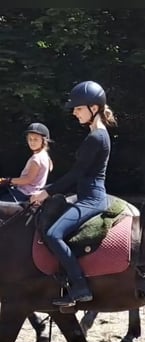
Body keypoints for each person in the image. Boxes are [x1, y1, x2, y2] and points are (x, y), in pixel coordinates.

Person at [30, 81, 117, 307]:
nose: (74, 112)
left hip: (92, 199)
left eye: (78, 108)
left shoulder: (96, 137)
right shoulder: (98, 134)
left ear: (94, 108)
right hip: (86, 195)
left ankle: (80, 287)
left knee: (53, 233)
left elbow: (76, 174)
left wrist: (46, 193)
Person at [0, 122, 54, 203]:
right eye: (30, 139)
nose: (32, 142)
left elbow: (27, 180)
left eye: (35, 139)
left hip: (24, 194)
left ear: (43, 140)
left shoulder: (36, 159)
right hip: (31, 192)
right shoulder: (45, 155)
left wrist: (8, 180)